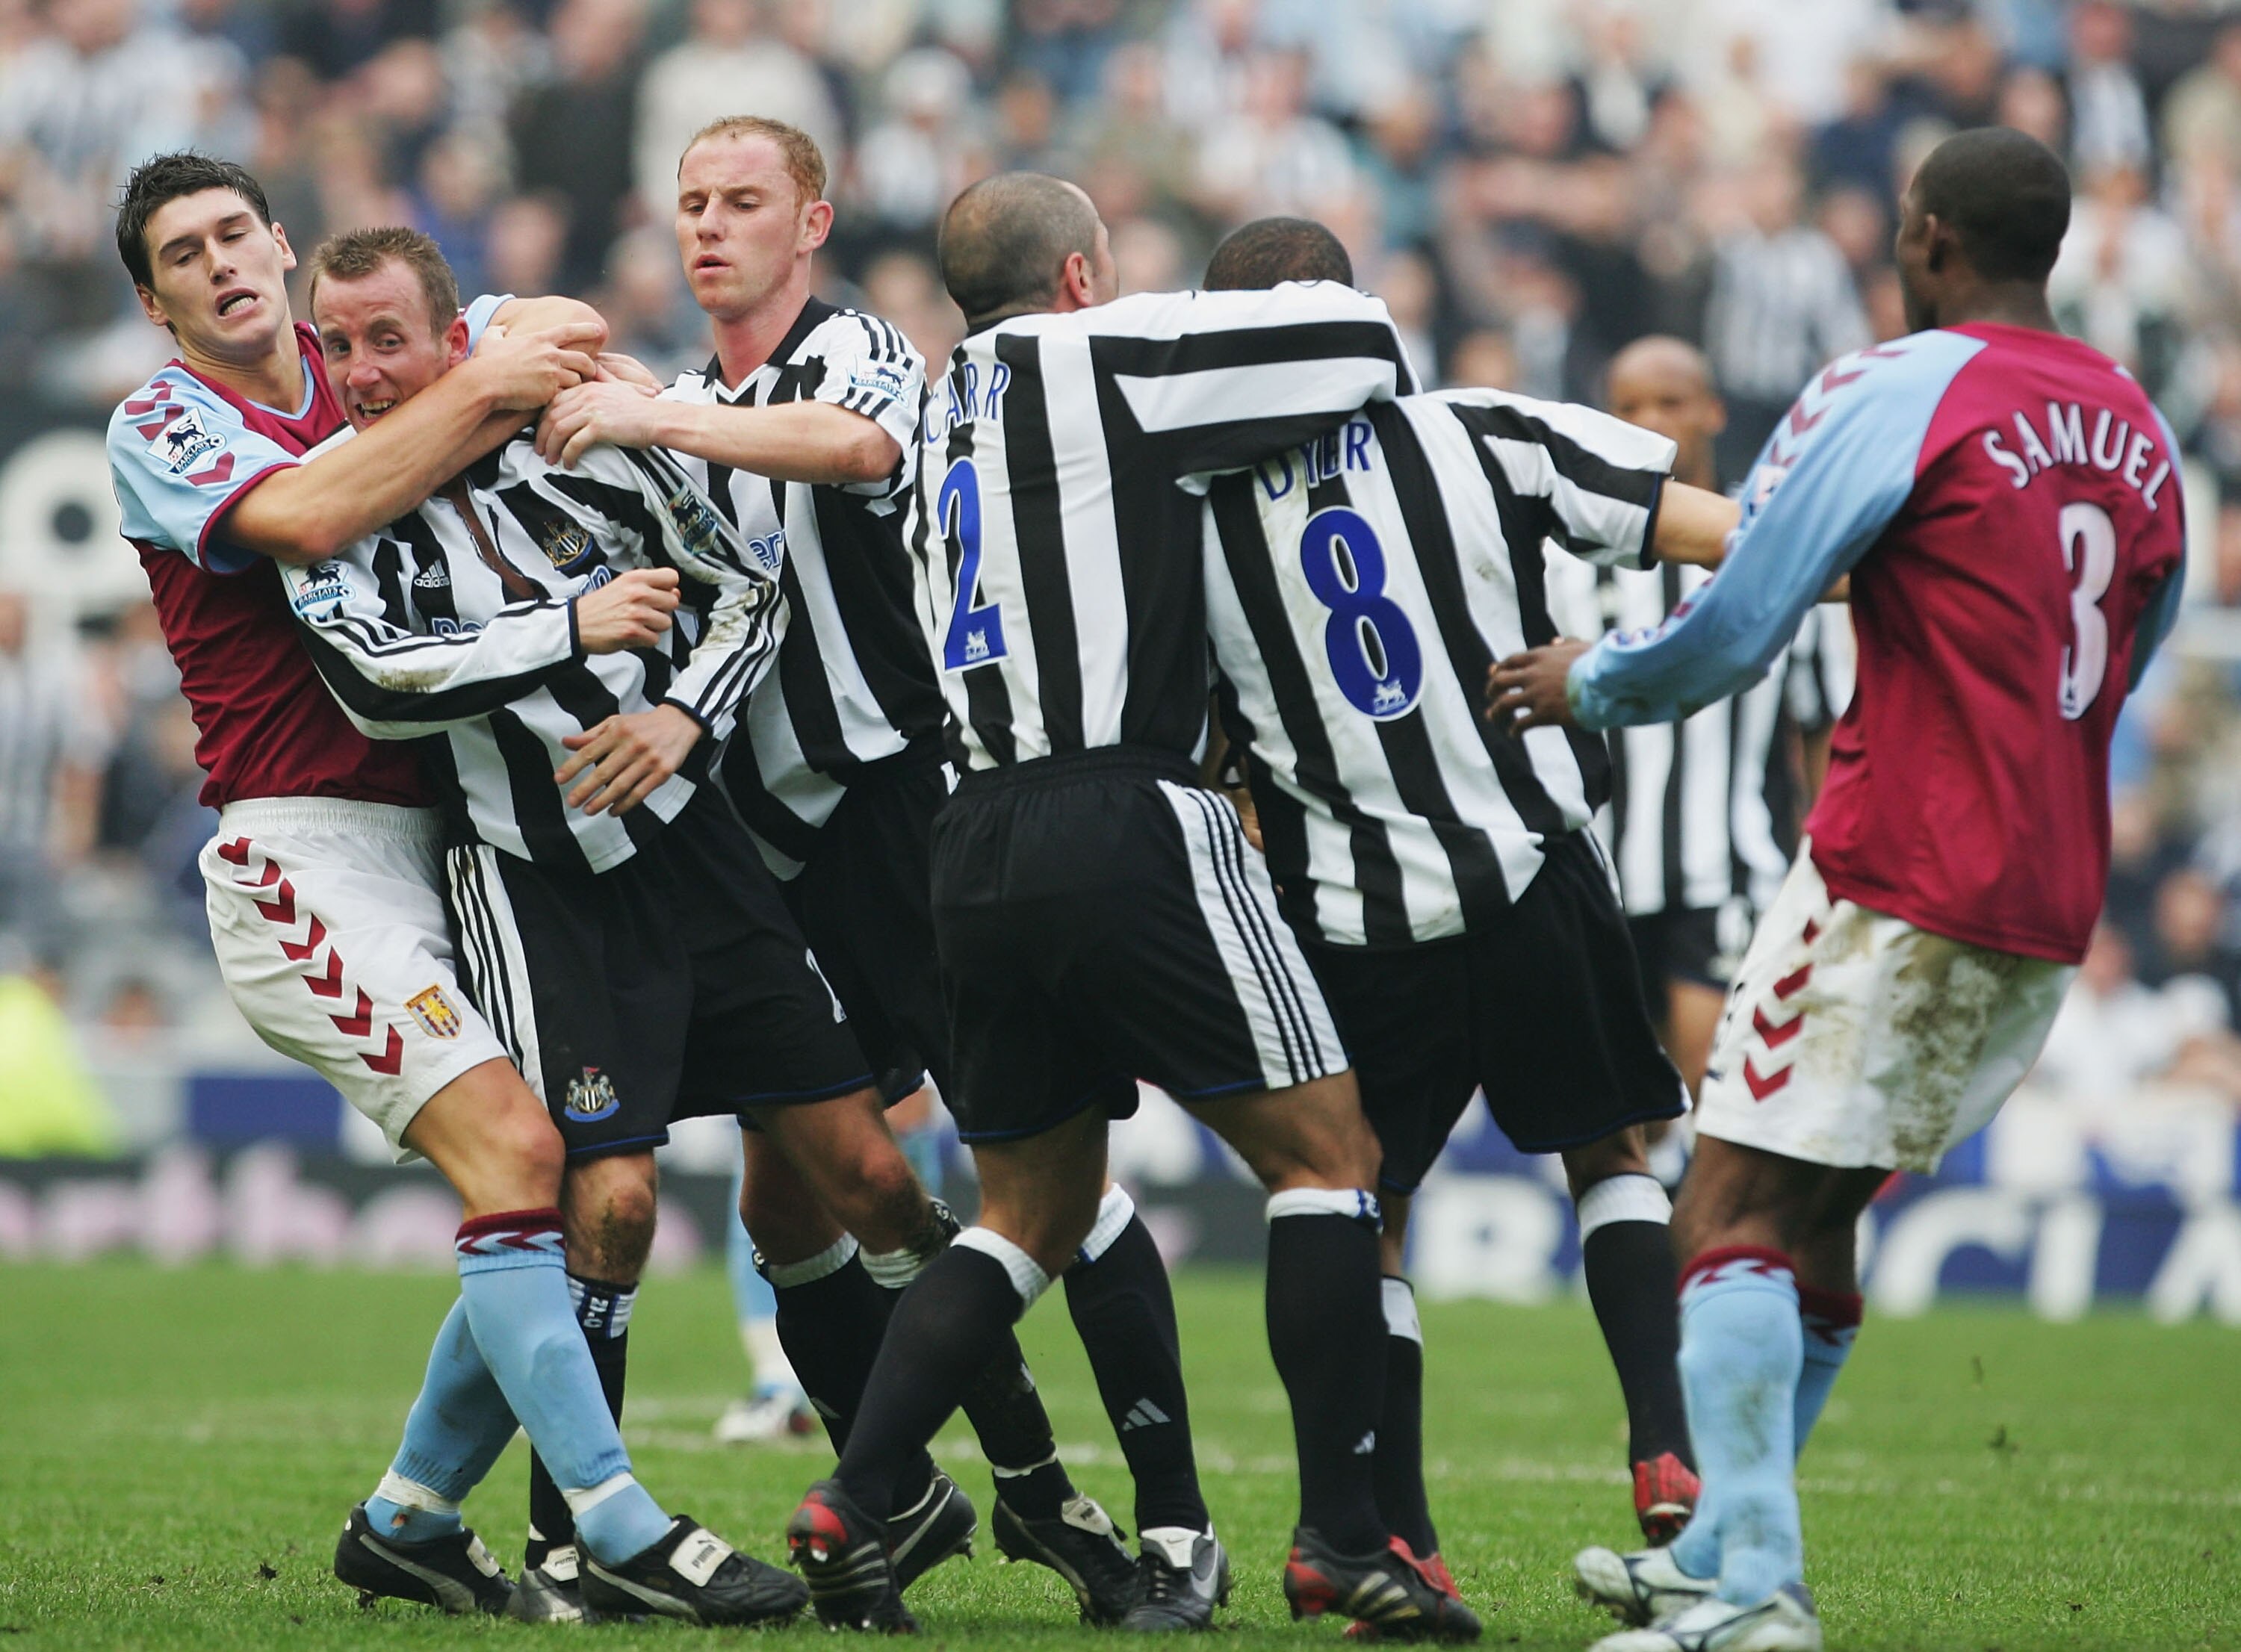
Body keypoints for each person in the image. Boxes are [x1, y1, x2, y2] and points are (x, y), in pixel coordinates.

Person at [1488, 127, 2186, 1652]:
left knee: (1724, 1203)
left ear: (1926, 236)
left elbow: (1742, 617)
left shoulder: (1898, 382)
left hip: (1900, 864)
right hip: (2047, 886)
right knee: (1813, 1215)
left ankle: (1751, 1591)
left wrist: (1589, 680)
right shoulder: (2138, 423)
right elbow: (2132, 647)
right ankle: (1736, 1540)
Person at [782, 172, 1475, 1642]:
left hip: (968, 838)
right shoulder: (1115, 352)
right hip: (1127, 808)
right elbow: (1358, 344)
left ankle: (856, 1491)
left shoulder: (934, 407)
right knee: (1331, 1151)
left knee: (1030, 1209)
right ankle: (1345, 1536)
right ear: (1085, 274)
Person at [102, 152, 763, 1624]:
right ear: (156, 302)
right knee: (521, 1158)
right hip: (304, 854)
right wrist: (490, 373)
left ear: (281, 245)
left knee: (564, 1179)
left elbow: (564, 322)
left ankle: (408, 1514)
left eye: (235, 233)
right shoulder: (167, 419)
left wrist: (532, 341)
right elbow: (311, 519)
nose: (222, 265)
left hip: (461, 846)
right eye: (183, 255)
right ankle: (617, 1520)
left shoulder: (375, 366)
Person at [287, 223, 970, 1627]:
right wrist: (573, 629)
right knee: (605, 1198)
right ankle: (570, 1538)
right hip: (533, 881)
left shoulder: (575, 432)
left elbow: (743, 586)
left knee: (869, 1168)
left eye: (386, 339)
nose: (360, 370)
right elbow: (374, 679)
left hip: (699, 858)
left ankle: (922, 1485)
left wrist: (675, 714)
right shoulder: (331, 502)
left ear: (452, 339)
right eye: (335, 344)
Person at [532, 117, 1154, 1624]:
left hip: (901, 816)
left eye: (743, 201)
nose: (709, 227)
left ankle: (1102, 1497)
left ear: (810, 221)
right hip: (763, 843)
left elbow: (859, 451)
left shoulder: (852, 350)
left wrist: (653, 422)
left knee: (1047, 1178)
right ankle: (923, 1500)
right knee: (801, 1203)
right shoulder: (671, 405)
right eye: (688, 203)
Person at [1192, 218, 1738, 1583]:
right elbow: (1715, 529)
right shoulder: (1476, 431)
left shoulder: (1189, 511)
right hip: (1530, 867)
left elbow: (1190, 734)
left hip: (1356, 917)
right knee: (1611, 1152)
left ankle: (1405, 1536)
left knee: (1363, 1204)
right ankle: (1664, 1437)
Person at [1547, 338, 1847, 1102]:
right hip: (1602, 872)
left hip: (1730, 870)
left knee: (1710, 1088)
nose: (1650, 422)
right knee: (1622, 1112)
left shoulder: (1782, 547)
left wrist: (1827, 866)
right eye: (1628, 408)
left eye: (1669, 403)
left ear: (1713, 411)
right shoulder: (1568, 557)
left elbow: (1817, 726)